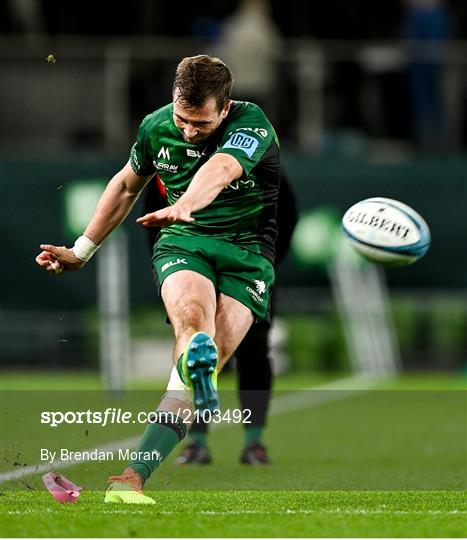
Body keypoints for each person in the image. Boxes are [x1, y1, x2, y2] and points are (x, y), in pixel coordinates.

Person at [36, 55, 281, 503]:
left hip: (248, 254)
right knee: (192, 322)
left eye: (201, 123)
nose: (188, 130)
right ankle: (131, 482)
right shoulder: (155, 126)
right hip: (184, 242)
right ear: (173, 100)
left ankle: (134, 475)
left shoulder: (252, 122)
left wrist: (186, 199)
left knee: (189, 373)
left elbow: (223, 167)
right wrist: (81, 250)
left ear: (224, 109)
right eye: (182, 119)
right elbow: (127, 185)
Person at [143, 171, 297, 465]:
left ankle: (255, 442)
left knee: (254, 350)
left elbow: (286, 215)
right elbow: (154, 220)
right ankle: (196, 442)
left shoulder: (255, 160)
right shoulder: (168, 165)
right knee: (200, 347)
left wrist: (267, 261)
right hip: (193, 266)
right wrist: (170, 271)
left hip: (248, 264)